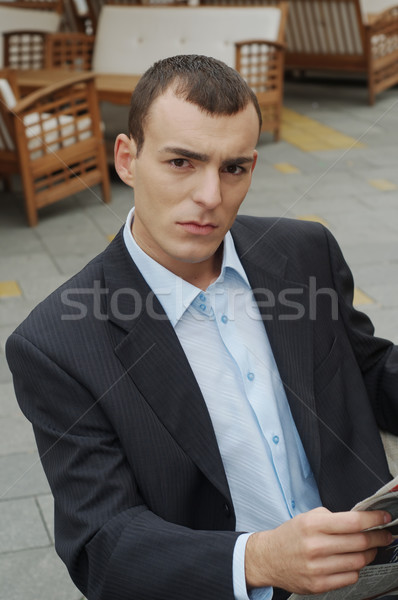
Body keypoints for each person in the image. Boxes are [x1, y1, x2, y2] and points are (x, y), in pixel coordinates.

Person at [6, 54, 398, 600]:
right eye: (182, 163)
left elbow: (371, 370)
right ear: (126, 159)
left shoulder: (306, 252)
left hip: (375, 574)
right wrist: (258, 560)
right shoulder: (56, 343)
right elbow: (103, 544)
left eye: (233, 168)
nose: (211, 197)